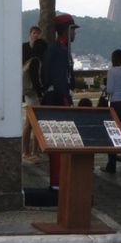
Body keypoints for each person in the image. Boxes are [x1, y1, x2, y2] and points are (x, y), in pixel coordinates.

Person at [41, 13, 79, 190]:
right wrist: (66, 101)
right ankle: (58, 182)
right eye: (73, 30)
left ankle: (60, 180)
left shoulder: (60, 49)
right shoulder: (59, 50)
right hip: (57, 99)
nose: (75, 34)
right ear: (66, 31)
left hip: (55, 98)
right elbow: (58, 80)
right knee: (59, 141)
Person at [103, 49, 121, 175]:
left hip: (115, 104)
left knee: (114, 135)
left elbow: (109, 89)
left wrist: (103, 88)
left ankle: (112, 165)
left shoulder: (112, 71)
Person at [21, 36, 47, 160]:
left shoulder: (31, 60)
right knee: (33, 124)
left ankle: (29, 152)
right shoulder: (36, 61)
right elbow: (36, 80)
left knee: (30, 124)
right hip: (33, 96)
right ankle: (31, 152)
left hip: (28, 95)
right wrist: (41, 93)